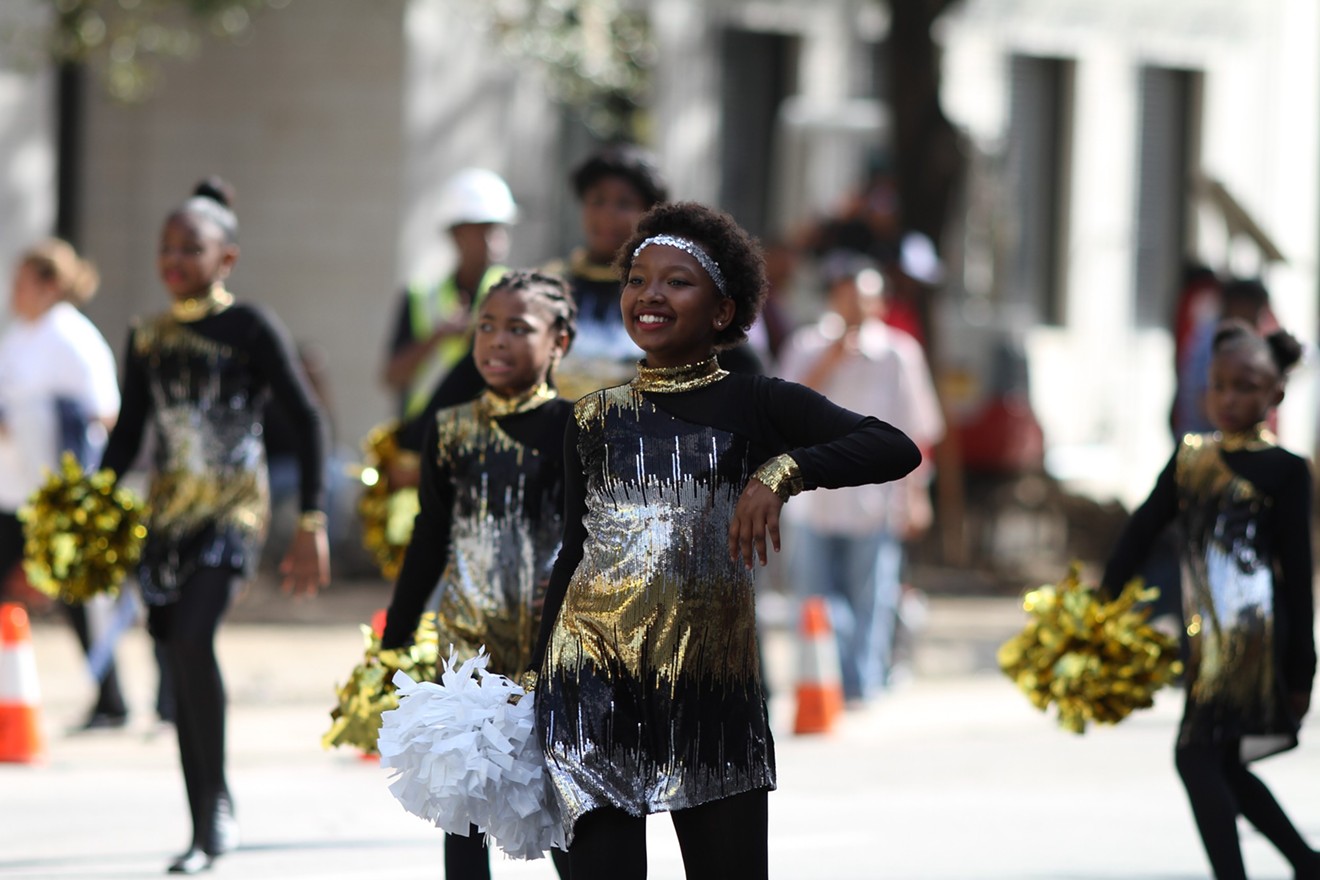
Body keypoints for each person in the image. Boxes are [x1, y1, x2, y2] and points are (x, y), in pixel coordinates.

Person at [528, 202, 921, 878]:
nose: (650, 293)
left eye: (676, 281)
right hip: (591, 692)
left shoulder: (756, 401)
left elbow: (892, 446)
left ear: (722, 310)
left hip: (712, 696)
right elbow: (573, 552)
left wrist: (784, 470)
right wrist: (533, 681)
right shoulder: (591, 418)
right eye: (637, 279)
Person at [99, 177, 330, 875]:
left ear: (225, 258)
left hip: (233, 511)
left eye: (190, 247)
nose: (174, 258)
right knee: (174, 651)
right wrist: (90, 511)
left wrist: (310, 519)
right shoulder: (145, 335)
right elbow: (129, 433)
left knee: (196, 636)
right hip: (165, 521)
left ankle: (217, 811)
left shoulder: (250, 326)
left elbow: (308, 419)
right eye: (166, 247)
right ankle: (203, 817)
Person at [1102, 320, 1318, 880]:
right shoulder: (1190, 457)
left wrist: (1303, 668)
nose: (1228, 397)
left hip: (1252, 636)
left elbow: (1298, 570)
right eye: (1218, 384)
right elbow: (1142, 530)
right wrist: (1101, 605)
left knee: (1195, 757)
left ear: (1275, 394)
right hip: (1206, 635)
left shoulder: (1287, 469)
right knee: (1222, 762)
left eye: (1245, 386)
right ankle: (1307, 863)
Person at [379, 270, 576, 880]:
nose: (495, 341)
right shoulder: (451, 428)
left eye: (519, 329)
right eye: (486, 327)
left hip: (557, 647)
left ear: (559, 342)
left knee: (566, 804)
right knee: (463, 812)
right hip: (467, 652)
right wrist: (395, 640)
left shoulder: (576, 427)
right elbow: (430, 536)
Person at [778, 251, 944, 705]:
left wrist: (917, 496)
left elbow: (917, 431)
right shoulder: (807, 345)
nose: (857, 307)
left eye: (866, 298)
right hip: (812, 498)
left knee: (871, 597)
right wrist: (829, 361)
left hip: (875, 497)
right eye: (848, 296)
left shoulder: (898, 354)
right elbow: (780, 416)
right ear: (834, 297)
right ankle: (821, 682)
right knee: (814, 596)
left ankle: (861, 685)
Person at [0, 239, 127, 729]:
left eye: (22, 281)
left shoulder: (72, 335)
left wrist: (41, 423)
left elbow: (104, 411)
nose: (14, 291)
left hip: (57, 495)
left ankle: (111, 697)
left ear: (49, 285)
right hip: (13, 490)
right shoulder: (19, 335)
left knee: (80, 594)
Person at [381, 168, 516, 419]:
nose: (492, 239)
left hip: (493, 434)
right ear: (455, 233)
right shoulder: (420, 296)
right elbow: (392, 376)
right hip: (427, 436)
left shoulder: (519, 294)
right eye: (481, 228)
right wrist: (439, 334)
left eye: (496, 228)